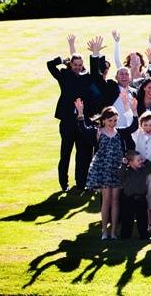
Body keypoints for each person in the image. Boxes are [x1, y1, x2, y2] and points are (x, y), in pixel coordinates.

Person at [77, 95, 139, 240]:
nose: (112, 123)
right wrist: (80, 112)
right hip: (104, 169)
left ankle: (113, 232)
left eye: (115, 120)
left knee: (116, 200)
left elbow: (133, 127)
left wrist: (134, 111)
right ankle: (104, 231)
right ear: (103, 120)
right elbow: (83, 129)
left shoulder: (120, 132)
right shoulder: (98, 132)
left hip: (117, 169)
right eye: (110, 120)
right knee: (106, 199)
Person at [47, 40, 97, 192]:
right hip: (67, 121)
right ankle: (64, 183)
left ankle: (81, 183)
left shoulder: (86, 77)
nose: (77, 67)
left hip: (83, 121)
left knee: (83, 154)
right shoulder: (64, 75)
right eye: (75, 65)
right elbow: (50, 65)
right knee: (65, 154)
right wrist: (62, 60)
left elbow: (95, 73)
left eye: (79, 65)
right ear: (70, 64)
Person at [118, 150, 151, 240]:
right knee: (127, 219)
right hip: (128, 199)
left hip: (141, 198)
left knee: (142, 219)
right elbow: (120, 174)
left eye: (141, 160)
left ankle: (144, 235)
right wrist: (123, 164)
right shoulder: (126, 172)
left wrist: (145, 160)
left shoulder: (143, 170)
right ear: (130, 162)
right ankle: (125, 235)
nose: (140, 161)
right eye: (138, 160)